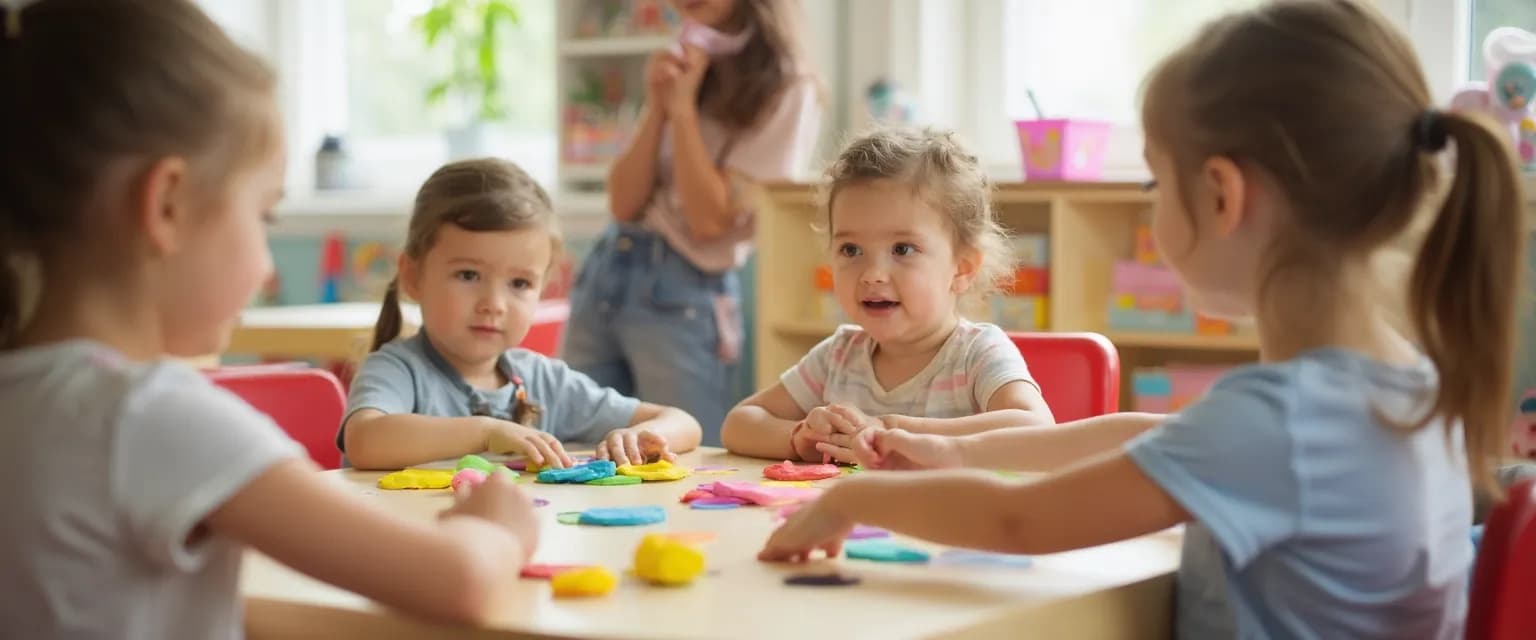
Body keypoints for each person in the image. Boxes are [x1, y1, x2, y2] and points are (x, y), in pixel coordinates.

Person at [761, 2, 1526, 637]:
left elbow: (1020, 522)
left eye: (1159, 180)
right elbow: (1153, 438)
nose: (1155, 204)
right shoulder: (1401, 379)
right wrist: (952, 451)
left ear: (1222, 196)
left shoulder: (1277, 421)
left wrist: (851, 497)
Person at [0, 1, 543, 635]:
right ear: (167, 204)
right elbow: (460, 582)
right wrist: (499, 531)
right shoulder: (150, 416)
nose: (264, 269)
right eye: (264, 216)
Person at [561, 0, 822, 442]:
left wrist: (682, 112)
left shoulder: (789, 85)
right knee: (575, 448)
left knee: (679, 458)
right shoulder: (686, 60)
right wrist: (659, 106)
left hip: (684, 291)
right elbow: (623, 204)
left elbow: (708, 221)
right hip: (609, 269)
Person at [339, 159, 702, 470]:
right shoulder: (398, 369)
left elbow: (683, 422)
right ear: (413, 276)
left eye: (519, 283)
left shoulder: (545, 382)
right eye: (468, 275)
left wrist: (636, 436)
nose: (494, 303)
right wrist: (486, 432)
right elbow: (366, 440)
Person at [721, 127, 1053, 462]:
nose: (872, 275)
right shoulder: (838, 357)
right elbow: (739, 424)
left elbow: (1036, 429)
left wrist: (894, 431)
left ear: (962, 268)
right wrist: (799, 436)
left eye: (903, 249)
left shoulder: (977, 354)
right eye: (851, 250)